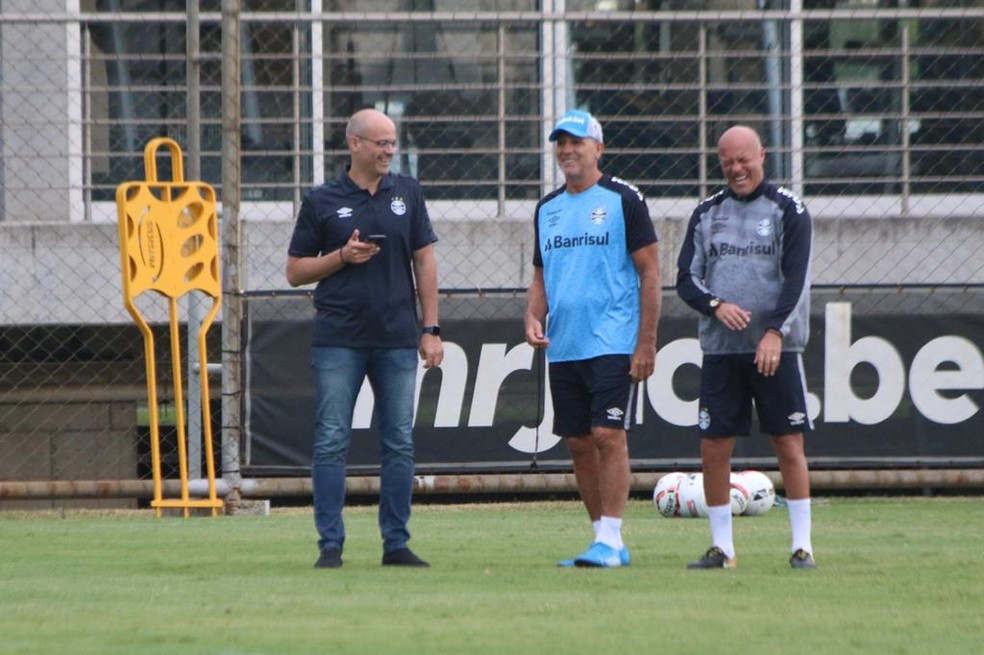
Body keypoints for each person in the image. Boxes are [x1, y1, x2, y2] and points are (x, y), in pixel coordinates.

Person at [286, 108, 443, 569]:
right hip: (339, 339)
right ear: (354, 144)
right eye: (381, 143)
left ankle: (396, 544)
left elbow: (425, 262)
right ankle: (329, 545)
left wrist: (430, 328)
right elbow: (295, 271)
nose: (389, 151)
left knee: (398, 441)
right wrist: (341, 256)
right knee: (332, 439)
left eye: (393, 143)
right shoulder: (321, 200)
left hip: (396, 338)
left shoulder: (408, 193)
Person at [524, 109, 661, 568]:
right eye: (560, 142)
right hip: (565, 344)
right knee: (579, 442)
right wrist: (532, 316)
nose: (567, 150)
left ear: (598, 148)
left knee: (607, 433)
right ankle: (604, 540)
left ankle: (612, 536)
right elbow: (541, 274)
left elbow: (650, 272)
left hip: (613, 339)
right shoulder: (547, 209)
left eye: (576, 142)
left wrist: (646, 342)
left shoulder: (624, 200)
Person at [676, 124, 816, 570]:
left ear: (762, 156)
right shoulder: (705, 213)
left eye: (744, 160)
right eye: (727, 162)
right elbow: (685, 279)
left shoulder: (788, 209)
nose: (736, 169)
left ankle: (802, 546)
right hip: (721, 350)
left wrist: (774, 330)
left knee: (787, 442)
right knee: (714, 446)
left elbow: (795, 277)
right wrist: (715, 306)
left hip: (774, 349)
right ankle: (723, 548)